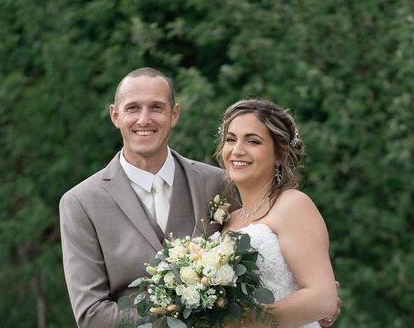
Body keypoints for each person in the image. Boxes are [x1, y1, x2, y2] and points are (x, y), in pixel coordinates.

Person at [59, 68, 228, 328]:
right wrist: (180, 310)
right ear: (115, 116)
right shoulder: (80, 202)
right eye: (133, 108)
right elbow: (92, 317)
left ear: (174, 114)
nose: (144, 119)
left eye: (156, 107)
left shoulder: (216, 182)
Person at [215, 99, 339, 328]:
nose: (237, 150)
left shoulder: (293, 205)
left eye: (253, 141)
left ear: (280, 154)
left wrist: (245, 321)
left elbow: (323, 298)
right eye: (231, 139)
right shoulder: (228, 219)